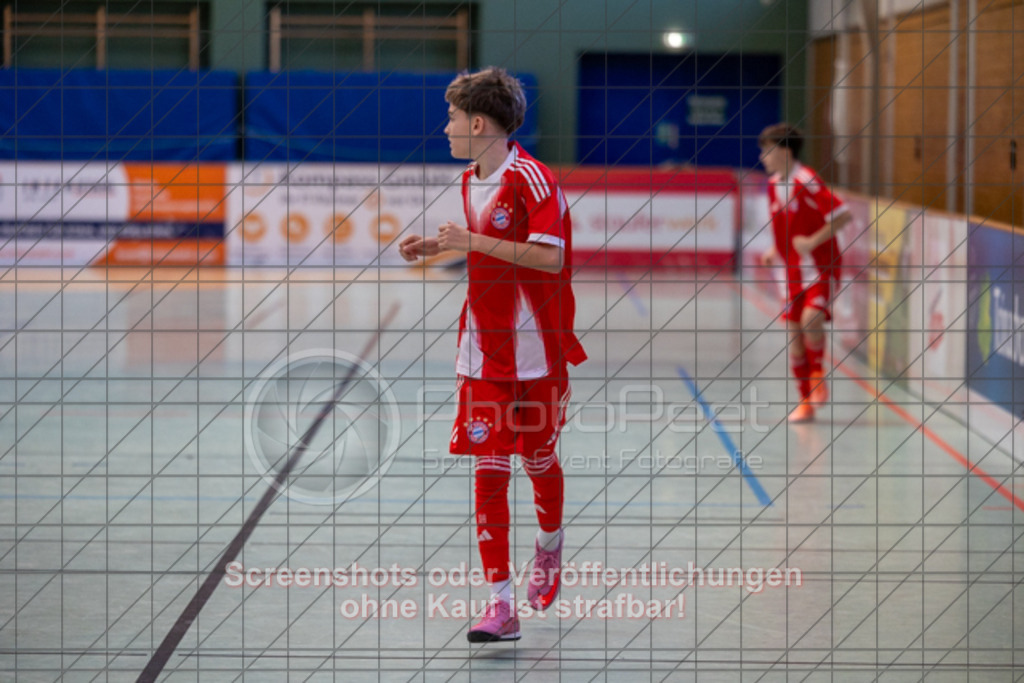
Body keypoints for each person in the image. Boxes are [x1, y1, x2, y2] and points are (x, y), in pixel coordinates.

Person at [399, 67, 587, 642]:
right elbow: (489, 252)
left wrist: (470, 241)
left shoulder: (531, 178)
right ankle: (501, 606)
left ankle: (549, 546)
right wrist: (440, 247)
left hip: (538, 354)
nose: (447, 127)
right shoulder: (469, 179)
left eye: (453, 117)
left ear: (479, 122)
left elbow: (548, 258)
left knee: (538, 462)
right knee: (488, 472)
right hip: (481, 353)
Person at [758, 123, 851, 423]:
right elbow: (783, 226)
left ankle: (817, 374)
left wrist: (812, 242)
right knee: (795, 337)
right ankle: (805, 402)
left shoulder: (807, 180)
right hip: (791, 271)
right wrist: (776, 251)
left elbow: (843, 215)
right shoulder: (774, 184)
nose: (764, 157)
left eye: (768, 150)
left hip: (820, 267)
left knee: (811, 318)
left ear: (785, 151)